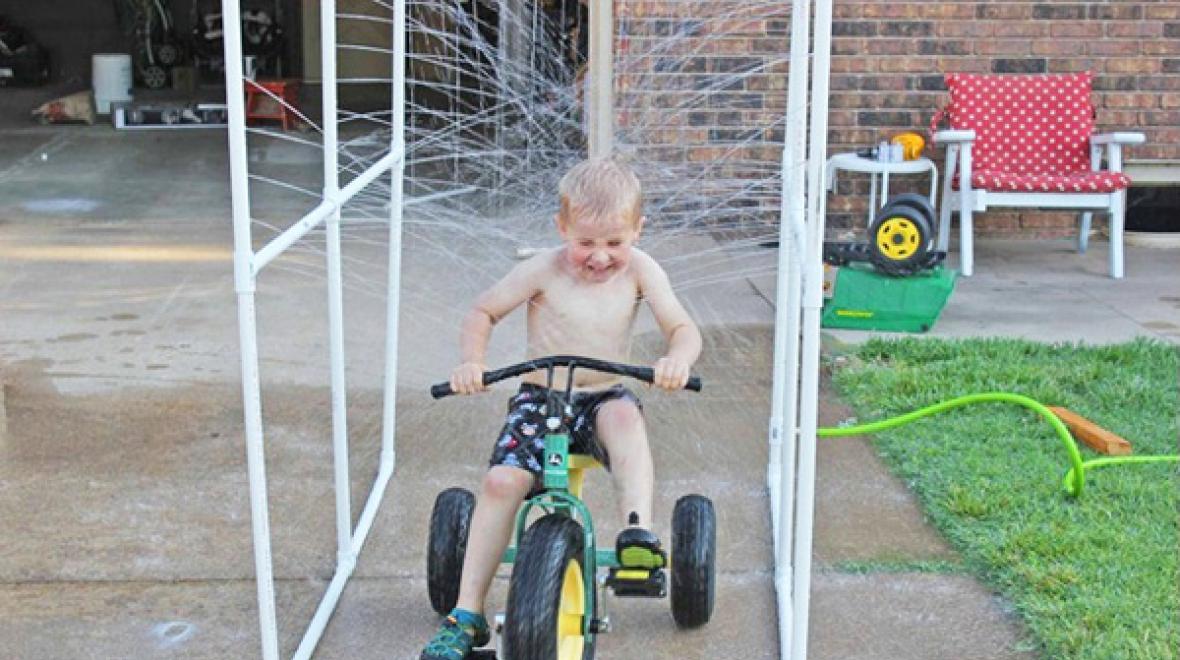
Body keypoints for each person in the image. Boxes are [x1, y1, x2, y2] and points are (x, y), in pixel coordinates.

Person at [420, 157, 703, 660]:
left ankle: (638, 531)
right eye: (585, 243)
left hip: (604, 395)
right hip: (541, 398)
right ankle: (465, 613)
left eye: (614, 242)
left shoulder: (642, 270)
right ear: (562, 228)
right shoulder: (541, 269)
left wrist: (676, 360)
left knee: (625, 421)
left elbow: (681, 328)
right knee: (501, 482)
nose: (599, 257)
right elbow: (484, 311)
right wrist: (472, 362)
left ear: (637, 231)